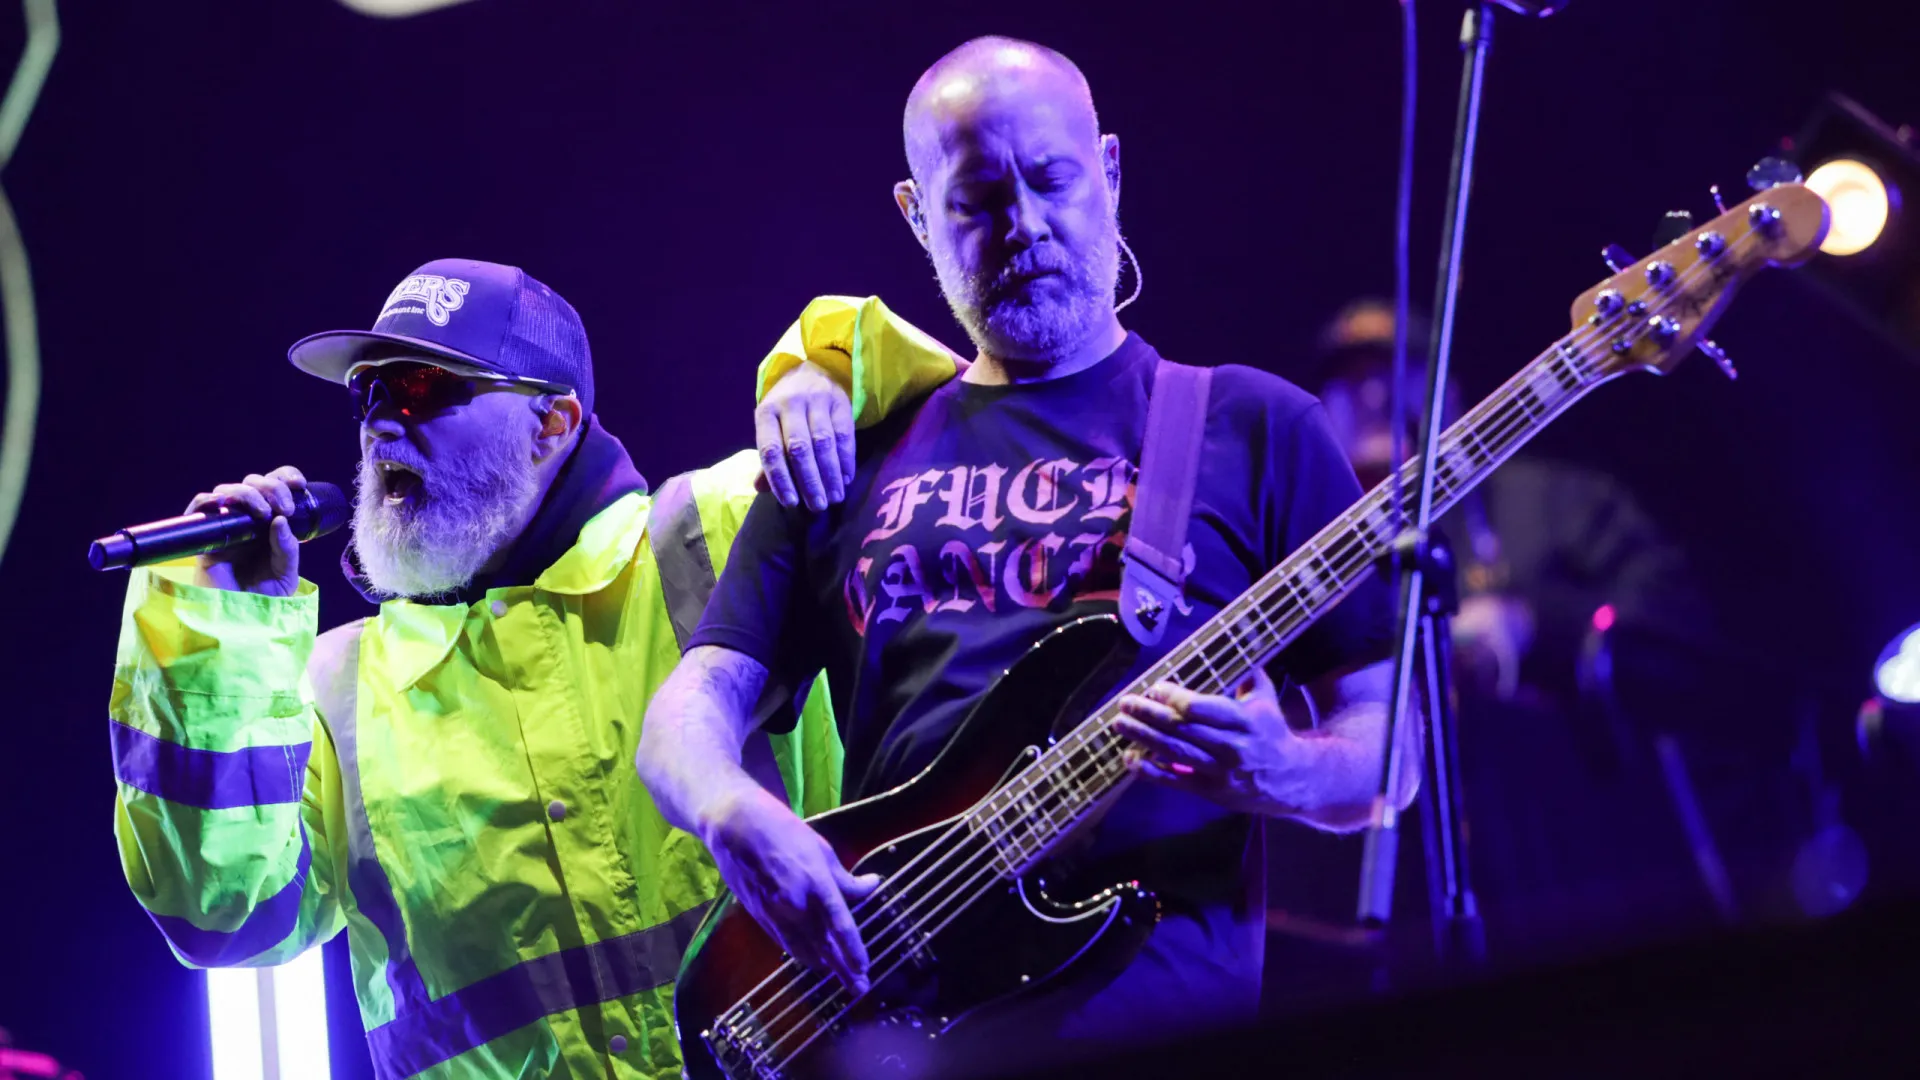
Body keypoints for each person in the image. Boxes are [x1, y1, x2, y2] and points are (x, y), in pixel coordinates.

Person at [637, 37, 1413, 1070]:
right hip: (885, 1018)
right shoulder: (849, 452)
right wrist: (730, 809)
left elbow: (1389, 750)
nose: (1026, 226)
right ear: (917, 216)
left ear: (1111, 170)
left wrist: (1286, 769)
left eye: (1053, 179)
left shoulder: (1254, 426)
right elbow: (689, 711)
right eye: (978, 201)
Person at [105, 259, 954, 1080]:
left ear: (551, 424)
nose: (381, 425)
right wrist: (218, 628)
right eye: (370, 394)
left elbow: (966, 426)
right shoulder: (335, 685)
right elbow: (223, 918)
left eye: (421, 388)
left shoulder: (710, 533)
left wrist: (824, 368)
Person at [1260, 298, 1728, 994]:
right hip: (1379, 922)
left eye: (1395, 370)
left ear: (1448, 391)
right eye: (1348, 380)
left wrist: (1533, 621)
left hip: (1582, 878)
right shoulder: (1301, 549)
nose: (1372, 395)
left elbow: (1678, 630)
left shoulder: (1553, 501)